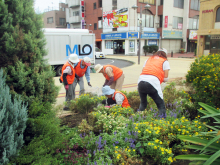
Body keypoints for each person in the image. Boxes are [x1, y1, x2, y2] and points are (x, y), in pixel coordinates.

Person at [137, 48, 170, 118]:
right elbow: (166, 77)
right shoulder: (164, 61)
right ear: (165, 54)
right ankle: (162, 122)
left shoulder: (149, 59)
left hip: (141, 82)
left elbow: (143, 70)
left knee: (143, 104)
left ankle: (137, 118)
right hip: (153, 83)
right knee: (161, 105)